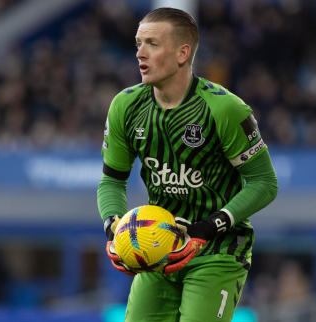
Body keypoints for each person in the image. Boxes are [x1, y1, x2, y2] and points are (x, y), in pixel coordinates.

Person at [97, 7, 278, 322]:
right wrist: (114, 227)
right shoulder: (125, 105)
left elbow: (265, 183)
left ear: (183, 53)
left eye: (152, 44)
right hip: (159, 248)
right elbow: (112, 180)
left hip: (218, 250)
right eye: (138, 43)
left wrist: (207, 227)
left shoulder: (225, 109)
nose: (139, 53)